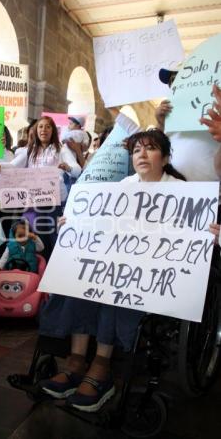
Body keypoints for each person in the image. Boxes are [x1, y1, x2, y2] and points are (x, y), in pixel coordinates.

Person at [39, 129, 186, 413]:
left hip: (151, 272)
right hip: (117, 262)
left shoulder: (182, 192)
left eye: (151, 148)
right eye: (136, 150)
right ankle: (75, 361)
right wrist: (72, 226)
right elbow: (101, 228)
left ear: (165, 158)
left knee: (114, 292)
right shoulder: (121, 187)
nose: (142, 154)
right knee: (78, 284)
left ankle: (101, 366)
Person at [0, 116, 81, 261]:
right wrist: (0, 166)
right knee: (32, 237)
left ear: (53, 130)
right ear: (36, 130)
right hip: (32, 203)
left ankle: (52, 272)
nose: (44, 130)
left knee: (54, 237)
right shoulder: (30, 150)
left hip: (54, 201)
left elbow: (77, 169)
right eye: (40, 126)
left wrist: (68, 167)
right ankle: (34, 270)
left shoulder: (61, 149)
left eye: (48, 126)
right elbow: (14, 166)